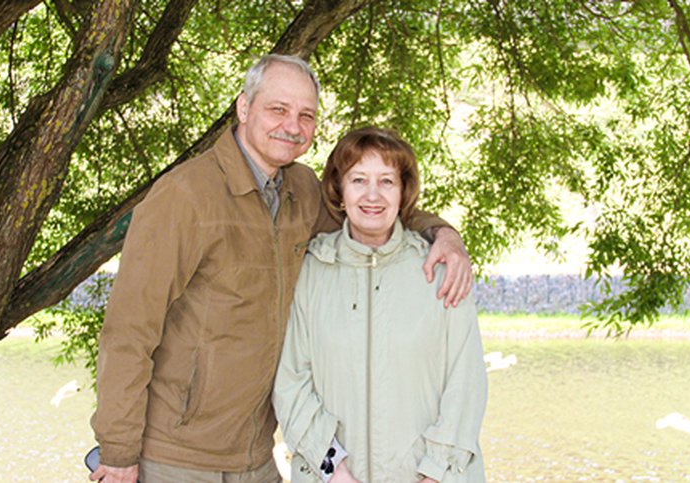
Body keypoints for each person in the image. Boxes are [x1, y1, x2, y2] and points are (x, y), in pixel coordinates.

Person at [90, 55, 473, 483]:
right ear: (243, 107)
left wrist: (443, 234)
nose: (292, 125)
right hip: (176, 457)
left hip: (255, 456)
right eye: (278, 109)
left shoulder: (301, 190)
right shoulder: (184, 196)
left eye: (305, 115)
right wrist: (118, 450)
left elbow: (370, 214)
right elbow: (128, 330)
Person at [273, 127, 488, 482]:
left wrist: (434, 473)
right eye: (358, 179)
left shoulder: (440, 270)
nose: (372, 195)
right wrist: (334, 471)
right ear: (340, 190)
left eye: (386, 181)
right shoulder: (311, 270)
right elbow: (291, 382)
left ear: (403, 191)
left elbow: (466, 384)